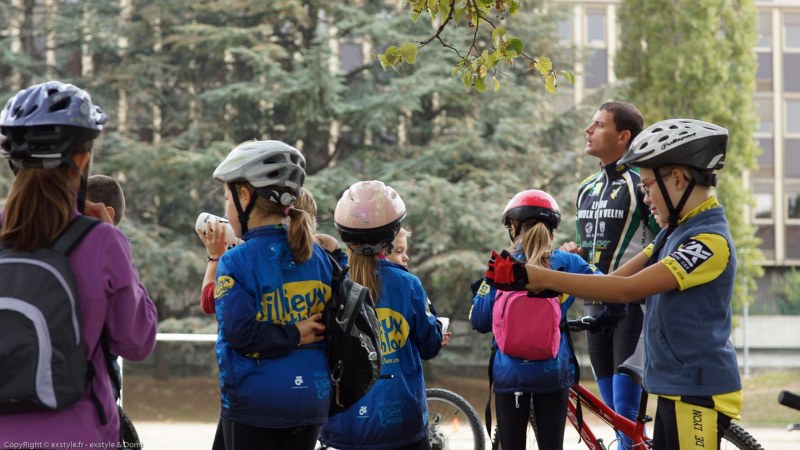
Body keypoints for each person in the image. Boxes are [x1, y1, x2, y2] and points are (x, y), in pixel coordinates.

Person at [487, 119, 741, 450]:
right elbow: (611, 281)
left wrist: (535, 276)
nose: (646, 199)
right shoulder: (673, 233)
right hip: (672, 385)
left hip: (697, 390)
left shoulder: (708, 241)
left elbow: (629, 289)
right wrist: (544, 286)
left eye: (647, 186)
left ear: (678, 179)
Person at [0, 81, 158, 445]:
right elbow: (136, 342)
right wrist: (118, 250)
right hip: (77, 433)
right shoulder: (101, 240)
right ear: (83, 160)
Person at [209, 139, 334, 450]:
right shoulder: (318, 257)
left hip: (255, 405)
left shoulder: (235, 260)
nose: (226, 208)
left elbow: (241, 335)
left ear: (244, 196)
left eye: (227, 197)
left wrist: (292, 333)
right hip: (311, 402)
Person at [470, 189, 603, 450]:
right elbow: (607, 287)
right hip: (552, 373)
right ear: (552, 229)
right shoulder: (567, 262)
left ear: (514, 228)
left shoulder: (500, 266)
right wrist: (606, 319)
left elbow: (480, 321)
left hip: (509, 376)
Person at [319, 180, 444, 450]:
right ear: (393, 233)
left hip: (343, 423)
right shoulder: (408, 284)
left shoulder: (330, 282)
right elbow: (430, 345)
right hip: (401, 422)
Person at [565, 101, 660, 449]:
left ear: (623, 136)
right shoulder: (586, 189)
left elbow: (662, 240)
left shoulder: (643, 184)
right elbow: (586, 246)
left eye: (598, 125)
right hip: (594, 309)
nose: (588, 130)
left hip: (633, 306)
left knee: (625, 411)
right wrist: (574, 252)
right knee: (610, 414)